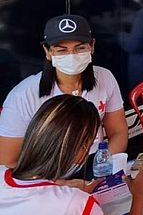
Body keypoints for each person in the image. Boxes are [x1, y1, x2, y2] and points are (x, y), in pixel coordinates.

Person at [0, 95, 143, 215]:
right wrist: (139, 195)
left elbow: (28, 193)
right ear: (82, 148)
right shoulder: (74, 204)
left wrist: (63, 186)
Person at [0, 15, 127, 174]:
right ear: (47, 51)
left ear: (92, 46)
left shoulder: (104, 77)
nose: (72, 56)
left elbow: (118, 131)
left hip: (95, 162)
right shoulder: (23, 96)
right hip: (47, 172)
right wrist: (54, 184)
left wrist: (102, 167)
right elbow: (7, 161)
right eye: (62, 50)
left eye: (80, 48)